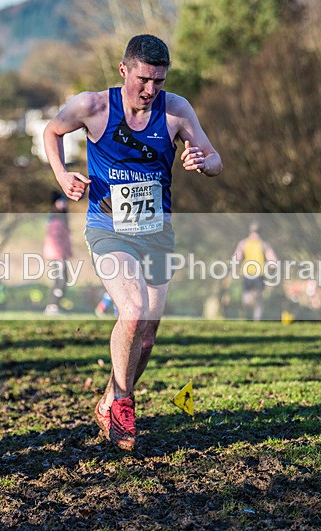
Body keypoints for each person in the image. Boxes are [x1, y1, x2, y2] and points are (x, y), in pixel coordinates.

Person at [43, 34, 222, 450]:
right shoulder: (92, 106)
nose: (150, 90)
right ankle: (124, 402)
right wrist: (62, 175)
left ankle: (109, 398)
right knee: (134, 309)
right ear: (124, 70)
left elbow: (215, 159)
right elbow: (52, 132)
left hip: (157, 232)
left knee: (147, 336)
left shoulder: (176, 110)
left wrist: (202, 161)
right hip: (108, 228)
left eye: (159, 81)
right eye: (143, 79)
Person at [233, 222, 277, 321]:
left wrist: (273, 263)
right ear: (249, 232)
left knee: (258, 298)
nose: (255, 234)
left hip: (259, 275)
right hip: (247, 274)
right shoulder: (243, 243)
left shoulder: (263, 244)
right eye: (254, 232)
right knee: (246, 299)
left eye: (257, 232)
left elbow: (271, 256)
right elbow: (237, 256)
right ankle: (249, 314)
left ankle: (257, 320)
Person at [43, 191, 73, 315]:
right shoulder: (55, 219)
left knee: (61, 280)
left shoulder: (61, 217)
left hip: (60, 254)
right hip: (56, 255)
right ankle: (52, 306)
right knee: (61, 280)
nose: (64, 203)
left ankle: (54, 305)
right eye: (61, 201)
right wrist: (60, 256)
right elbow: (54, 240)